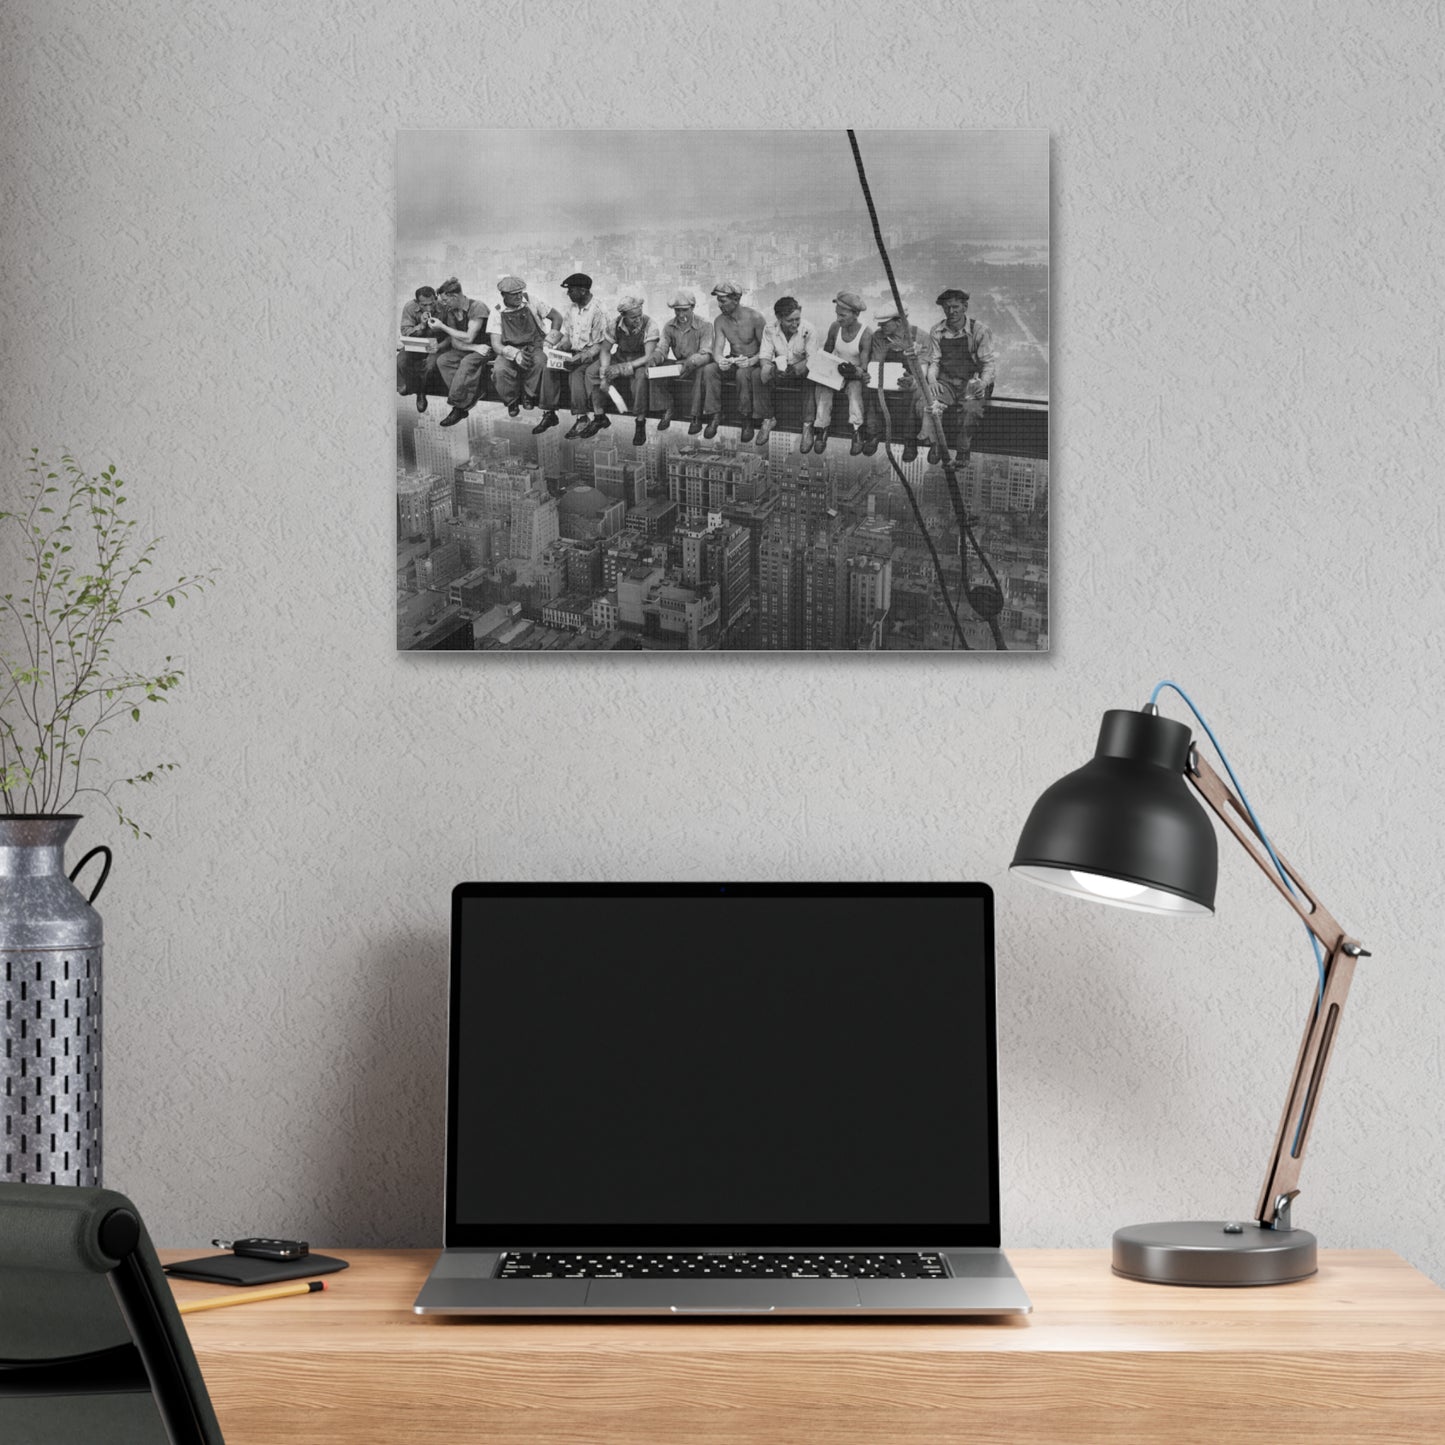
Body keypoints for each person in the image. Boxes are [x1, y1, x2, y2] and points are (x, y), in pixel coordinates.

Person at [927, 289, 998, 465]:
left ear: (964, 307)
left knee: (970, 410)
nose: (951, 312)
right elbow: (934, 361)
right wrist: (933, 381)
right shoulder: (937, 331)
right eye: (947, 308)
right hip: (947, 381)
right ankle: (936, 444)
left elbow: (988, 364)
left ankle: (963, 451)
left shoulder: (979, 330)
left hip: (973, 382)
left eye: (955, 307)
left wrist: (983, 383)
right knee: (931, 403)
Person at [540, 272, 610, 439]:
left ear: (583, 291)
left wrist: (579, 359)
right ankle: (549, 413)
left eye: (571, 290)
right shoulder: (572, 309)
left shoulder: (599, 310)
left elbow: (600, 344)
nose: (568, 294)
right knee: (549, 367)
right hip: (575, 353)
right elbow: (569, 336)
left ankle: (582, 417)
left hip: (593, 356)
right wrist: (557, 349)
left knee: (576, 374)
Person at [866, 302, 938, 464]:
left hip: (912, 379)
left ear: (899, 322)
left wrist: (912, 381)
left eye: (884, 324)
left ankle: (909, 440)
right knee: (870, 390)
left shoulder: (921, 337)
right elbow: (876, 363)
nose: (879, 326)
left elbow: (922, 373)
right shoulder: (879, 336)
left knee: (916, 394)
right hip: (886, 378)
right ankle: (873, 433)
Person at [487, 276, 565, 424]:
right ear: (503, 295)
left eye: (520, 292)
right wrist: (515, 354)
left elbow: (557, 317)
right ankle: (512, 401)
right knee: (499, 369)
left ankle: (529, 395)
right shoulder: (496, 312)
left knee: (541, 363)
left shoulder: (531, 300)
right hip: (509, 347)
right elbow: (496, 345)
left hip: (535, 344)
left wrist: (550, 340)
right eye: (513, 294)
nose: (518, 296)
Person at [812, 291, 874, 455]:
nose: (839, 318)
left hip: (853, 374)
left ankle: (857, 429)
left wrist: (854, 371)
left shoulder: (866, 334)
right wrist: (822, 368)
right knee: (823, 389)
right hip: (836, 370)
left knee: (854, 391)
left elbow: (865, 366)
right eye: (837, 314)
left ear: (856, 314)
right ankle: (822, 428)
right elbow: (827, 351)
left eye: (843, 315)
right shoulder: (835, 327)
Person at [704, 282, 767, 442]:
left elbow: (767, 350)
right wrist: (721, 361)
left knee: (742, 373)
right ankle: (715, 414)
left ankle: (746, 419)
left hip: (753, 363)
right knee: (710, 369)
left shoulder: (756, 318)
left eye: (723, 301)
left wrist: (751, 360)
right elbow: (718, 349)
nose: (719, 305)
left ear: (736, 300)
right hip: (734, 359)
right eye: (718, 300)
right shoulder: (720, 321)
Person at [651, 289, 717, 434]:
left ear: (692, 308)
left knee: (701, 373)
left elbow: (706, 353)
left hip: (697, 364)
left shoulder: (705, 325)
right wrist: (655, 358)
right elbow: (662, 347)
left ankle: (695, 416)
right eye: (677, 311)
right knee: (655, 372)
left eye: (684, 310)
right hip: (679, 365)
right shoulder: (669, 326)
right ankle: (668, 407)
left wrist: (691, 362)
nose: (681, 315)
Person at [756, 296, 819, 449]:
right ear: (779, 318)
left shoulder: (808, 329)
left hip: (802, 371)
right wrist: (771, 369)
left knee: (811, 380)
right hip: (781, 371)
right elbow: (764, 356)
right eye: (790, 320)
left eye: (797, 319)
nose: (795, 324)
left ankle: (807, 426)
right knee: (758, 375)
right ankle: (768, 418)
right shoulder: (770, 329)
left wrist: (798, 368)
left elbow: (813, 359)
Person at [600, 294, 661, 448]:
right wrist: (605, 370)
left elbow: (648, 356)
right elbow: (605, 350)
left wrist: (621, 369)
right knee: (596, 374)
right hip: (621, 356)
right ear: (623, 316)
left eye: (640, 315)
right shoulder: (614, 325)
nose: (638, 319)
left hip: (639, 361)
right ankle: (598, 415)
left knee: (640, 379)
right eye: (633, 317)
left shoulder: (650, 324)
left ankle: (640, 422)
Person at [429, 278, 491, 429]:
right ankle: (472, 394)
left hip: (487, 348)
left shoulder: (477, 307)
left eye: (445, 300)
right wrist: (473, 348)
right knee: (443, 360)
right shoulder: (452, 311)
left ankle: (458, 408)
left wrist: (442, 326)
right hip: (472, 348)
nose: (443, 304)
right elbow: (455, 342)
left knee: (467, 363)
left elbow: (469, 336)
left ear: (454, 297)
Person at [397, 285, 439, 413]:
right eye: (424, 305)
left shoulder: (443, 306)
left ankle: (421, 393)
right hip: (416, 344)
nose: (429, 308)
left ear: (436, 299)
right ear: (417, 302)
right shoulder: (410, 307)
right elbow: (405, 331)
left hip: (436, 345)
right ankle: (411, 386)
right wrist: (421, 326)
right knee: (401, 362)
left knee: (430, 366)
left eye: (431, 304)